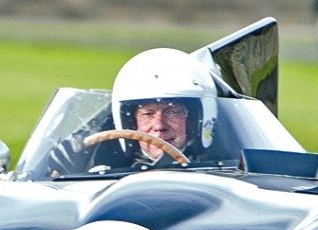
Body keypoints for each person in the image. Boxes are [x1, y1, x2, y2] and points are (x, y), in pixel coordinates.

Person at [46, 47, 218, 175]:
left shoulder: (222, 171)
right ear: (130, 122)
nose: (159, 126)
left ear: (196, 120)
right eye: (148, 114)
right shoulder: (100, 171)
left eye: (172, 112)